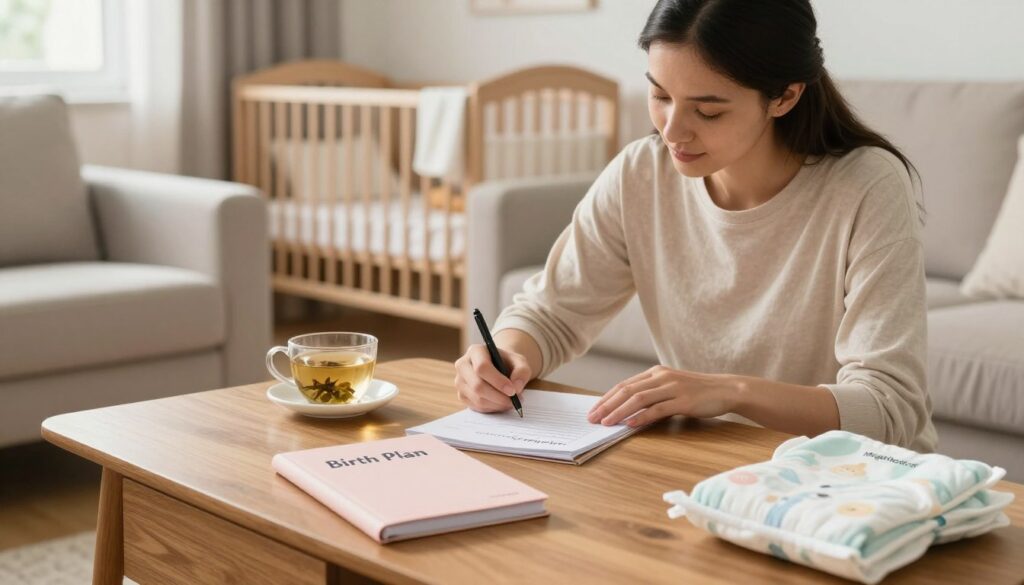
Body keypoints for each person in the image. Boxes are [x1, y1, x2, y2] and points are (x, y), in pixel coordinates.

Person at [454, 0, 936, 451]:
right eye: (660, 95)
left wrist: (731, 393)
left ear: (785, 96)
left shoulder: (867, 185)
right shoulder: (642, 172)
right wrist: (507, 358)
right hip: (713, 471)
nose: (672, 131)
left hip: (861, 485)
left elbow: (889, 408)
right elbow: (553, 313)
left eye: (708, 110)